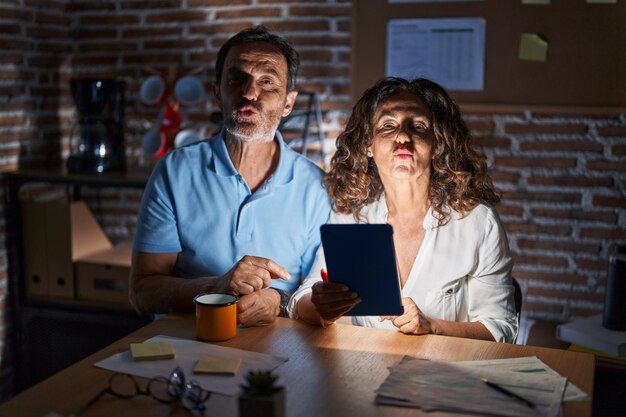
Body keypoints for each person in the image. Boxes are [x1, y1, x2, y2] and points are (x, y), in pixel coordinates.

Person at [289, 77, 517, 343]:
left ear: (438, 144)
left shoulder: (477, 222)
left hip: (445, 375)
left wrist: (431, 326)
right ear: (367, 145)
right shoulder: (351, 216)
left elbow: (501, 329)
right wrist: (320, 306)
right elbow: (301, 300)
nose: (403, 137)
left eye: (418, 126)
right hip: (365, 371)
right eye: (388, 125)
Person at [130, 26, 331, 327]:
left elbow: (315, 288)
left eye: (267, 81)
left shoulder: (315, 186)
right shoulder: (174, 171)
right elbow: (142, 293)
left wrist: (277, 301)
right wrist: (215, 288)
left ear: (288, 103)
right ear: (216, 92)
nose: (250, 93)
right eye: (237, 79)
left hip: (280, 348)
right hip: (187, 343)